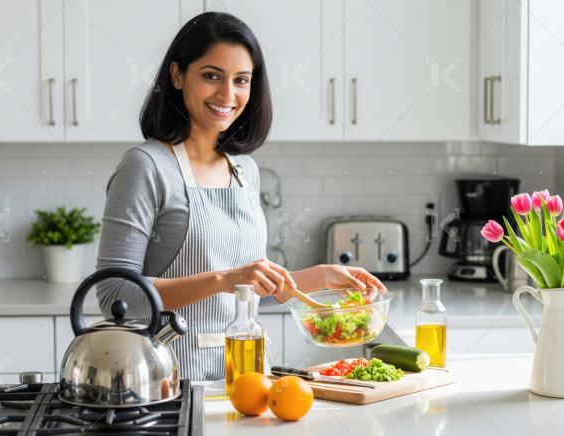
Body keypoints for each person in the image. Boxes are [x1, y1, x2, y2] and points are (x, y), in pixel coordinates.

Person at [96, 12, 385, 381]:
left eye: (241, 80)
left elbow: (246, 289)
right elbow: (114, 295)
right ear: (178, 75)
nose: (227, 95)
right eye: (212, 75)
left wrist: (320, 276)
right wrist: (224, 279)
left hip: (247, 378)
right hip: (169, 384)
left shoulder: (244, 169)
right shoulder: (146, 167)